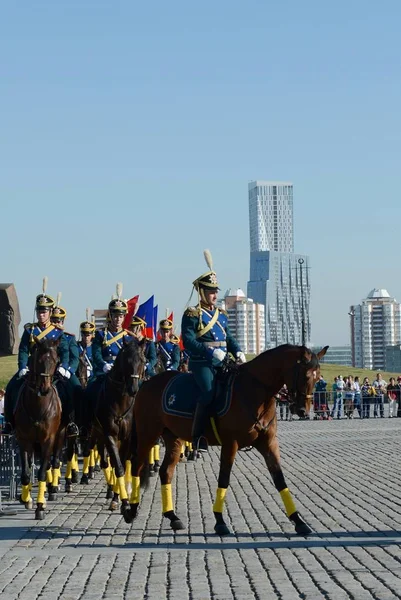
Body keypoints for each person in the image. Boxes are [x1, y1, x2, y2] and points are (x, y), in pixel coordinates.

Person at [181, 249, 246, 452]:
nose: (215, 295)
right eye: (211, 291)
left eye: (216, 291)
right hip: (202, 363)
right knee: (208, 394)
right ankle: (198, 436)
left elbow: (228, 337)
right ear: (201, 292)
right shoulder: (192, 314)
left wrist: (238, 351)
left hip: (223, 361)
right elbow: (188, 341)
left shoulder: (221, 314)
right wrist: (209, 352)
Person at [2, 282, 70, 434]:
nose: (41, 314)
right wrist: (22, 367)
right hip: (33, 370)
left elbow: (65, 351)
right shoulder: (30, 330)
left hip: (54, 371)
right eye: (39, 311)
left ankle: (71, 422)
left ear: (50, 312)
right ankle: (9, 422)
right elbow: (24, 350)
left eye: (44, 311)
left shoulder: (57, 332)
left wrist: (65, 367)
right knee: (12, 387)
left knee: (73, 388)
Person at [129, 314, 157, 379]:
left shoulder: (149, 343)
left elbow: (153, 359)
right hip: (134, 370)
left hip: (146, 370)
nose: (131, 330)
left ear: (140, 328)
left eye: (134, 327)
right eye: (131, 327)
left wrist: (147, 366)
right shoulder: (130, 342)